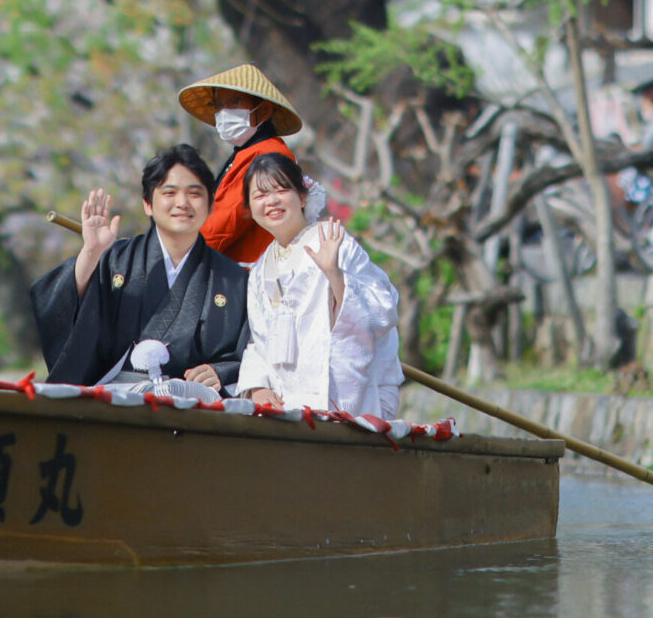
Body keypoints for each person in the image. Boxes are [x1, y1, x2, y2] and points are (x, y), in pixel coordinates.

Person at [31, 145, 248, 393]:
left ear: (210, 206)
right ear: (148, 204)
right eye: (169, 192)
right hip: (112, 399)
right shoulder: (115, 260)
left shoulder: (233, 280)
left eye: (195, 194)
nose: (182, 203)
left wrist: (220, 371)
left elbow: (253, 352)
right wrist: (91, 252)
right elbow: (60, 304)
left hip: (191, 403)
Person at [234, 153, 404, 419]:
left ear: (302, 197)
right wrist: (257, 387)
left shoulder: (334, 242)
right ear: (250, 207)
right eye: (260, 195)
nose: (272, 201)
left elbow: (382, 312)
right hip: (283, 405)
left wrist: (334, 273)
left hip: (335, 400)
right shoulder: (259, 270)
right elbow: (259, 341)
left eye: (281, 190)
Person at [176, 64, 302, 265]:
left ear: (264, 110)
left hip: (247, 274)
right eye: (219, 105)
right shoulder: (248, 153)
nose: (224, 112)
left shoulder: (267, 155)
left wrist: (173, 250)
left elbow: (220, 227)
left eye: (235, 103)